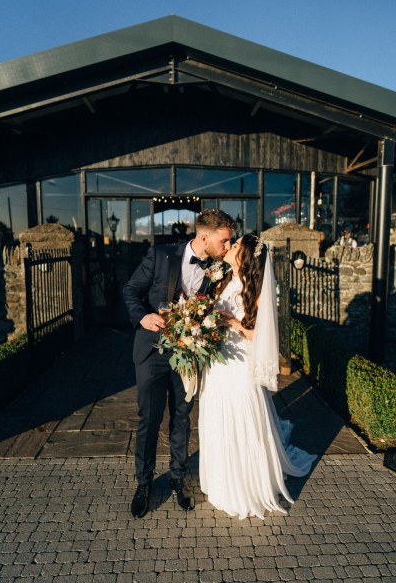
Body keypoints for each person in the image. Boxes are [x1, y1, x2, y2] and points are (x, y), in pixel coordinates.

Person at [123, 209, 237, 518]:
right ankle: (144, 484)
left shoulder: (218, 268)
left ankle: (177, 478)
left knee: (182, 418)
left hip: (188, 354)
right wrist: (142, 316)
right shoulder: (161, 255)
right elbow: (130, 290)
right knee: (149, 419)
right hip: (151, 351)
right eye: (224, 241)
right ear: (205, 238)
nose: (228, 247)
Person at [199, 234, 317, 520]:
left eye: (235, 245)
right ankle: (222, 481)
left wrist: (234, 323)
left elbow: (263, 335)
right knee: (217, 415)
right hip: (218, 362)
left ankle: (246, 486)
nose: (229, 247)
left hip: (240, 365)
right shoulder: (224, 281)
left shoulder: (257, 289)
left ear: (247, 256)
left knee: (242, 418)